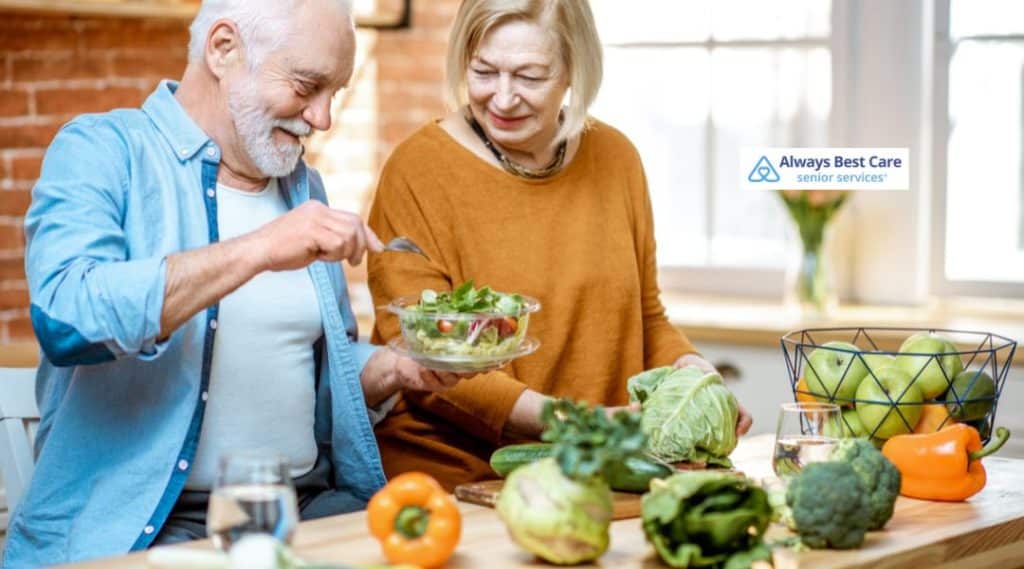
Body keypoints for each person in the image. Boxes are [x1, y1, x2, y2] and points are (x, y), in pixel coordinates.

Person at [4, 0, 461, 566]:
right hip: (150, 525)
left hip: (306, 507)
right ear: (223, 48)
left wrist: (395, 369)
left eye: (335, 94)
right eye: (306, 85)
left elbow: (309, 372)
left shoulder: (302, 187)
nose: (322, 119)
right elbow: (66, 317)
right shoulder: (102, 151)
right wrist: (260, 249)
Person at [366, 0, 753, 491]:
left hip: (597, 472)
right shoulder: (417, 171)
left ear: (574, 70)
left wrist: (697, 380)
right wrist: (580, 424)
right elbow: (425, 358)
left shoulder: (616, 159)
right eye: (483, 71)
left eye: (529, 77)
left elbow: (646, 317)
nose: (503, 98)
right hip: (463, 481)